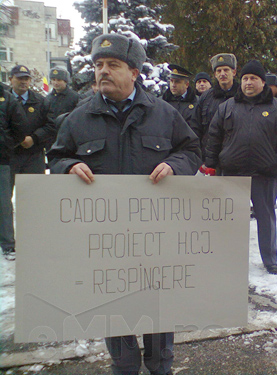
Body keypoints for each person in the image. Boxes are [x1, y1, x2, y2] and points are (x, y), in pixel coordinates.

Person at [47, 33, 201, 375]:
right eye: (98, 65)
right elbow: (56, 157)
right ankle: (124, 365)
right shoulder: (79, 118)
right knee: (114, 309)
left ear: (134, 72)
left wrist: (175, 166)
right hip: (105, 240)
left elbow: (191, 151)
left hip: (155, 237)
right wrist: (68, 166)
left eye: (112, 65)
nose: (103, 71)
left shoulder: (163, 114)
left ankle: (161, 366)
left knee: (157, 307)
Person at [205, 59, 277, 275]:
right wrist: (212, 164)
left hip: (264, 173)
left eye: (253, 78)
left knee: (266, 218)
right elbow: (214, 136)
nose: (248, 82)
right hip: (231, 173)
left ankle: (270, 259)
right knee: (230, 219)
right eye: (245, 78)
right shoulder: (226, 107)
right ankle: (229, 256)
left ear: (263, 82)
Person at [8, 65, 55, 186]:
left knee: (33, 194)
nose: (24, 82)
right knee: (4, 197)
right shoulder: (4, 100)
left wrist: (34, 138)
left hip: (33, 156)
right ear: (10, 79)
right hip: (7, 156)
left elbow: (51, 125)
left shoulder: (41, 101)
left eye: (26, 78)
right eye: (19, 78)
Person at [0, 83, 27, 260]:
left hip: (1, 159)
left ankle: (8, 244)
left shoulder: (7, 98)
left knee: (3, 204)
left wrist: (6, 145)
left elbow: (20, 128)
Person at [196, 53, 238, 162]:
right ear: (214, 74)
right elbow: (196, 127)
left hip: (236, 158)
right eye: (219, 71)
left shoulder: (242, 96)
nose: (222, 74)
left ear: (234, 72)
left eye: (226, 70)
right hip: (209, 159)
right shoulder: (205, 98)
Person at [162, 64, 200, 137]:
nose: (173, 85)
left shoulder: (197, 102)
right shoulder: (162, 102)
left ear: (186, 84)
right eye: (171, 81)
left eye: (177, 82)